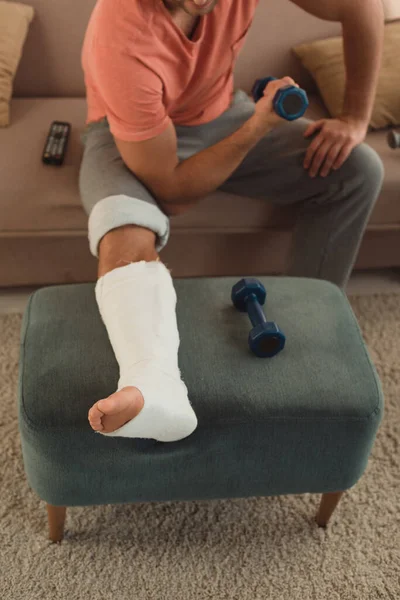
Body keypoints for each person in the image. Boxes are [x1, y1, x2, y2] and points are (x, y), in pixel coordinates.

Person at [81, 0, 384, 442]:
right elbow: (174, 191)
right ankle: (152, 384)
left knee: (358, 168)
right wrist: (260, 125)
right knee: (122, 227)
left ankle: (308, 335)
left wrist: (356, 118)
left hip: (222, 114)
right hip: (127, 138)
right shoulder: (121, 34)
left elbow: (363, 6)